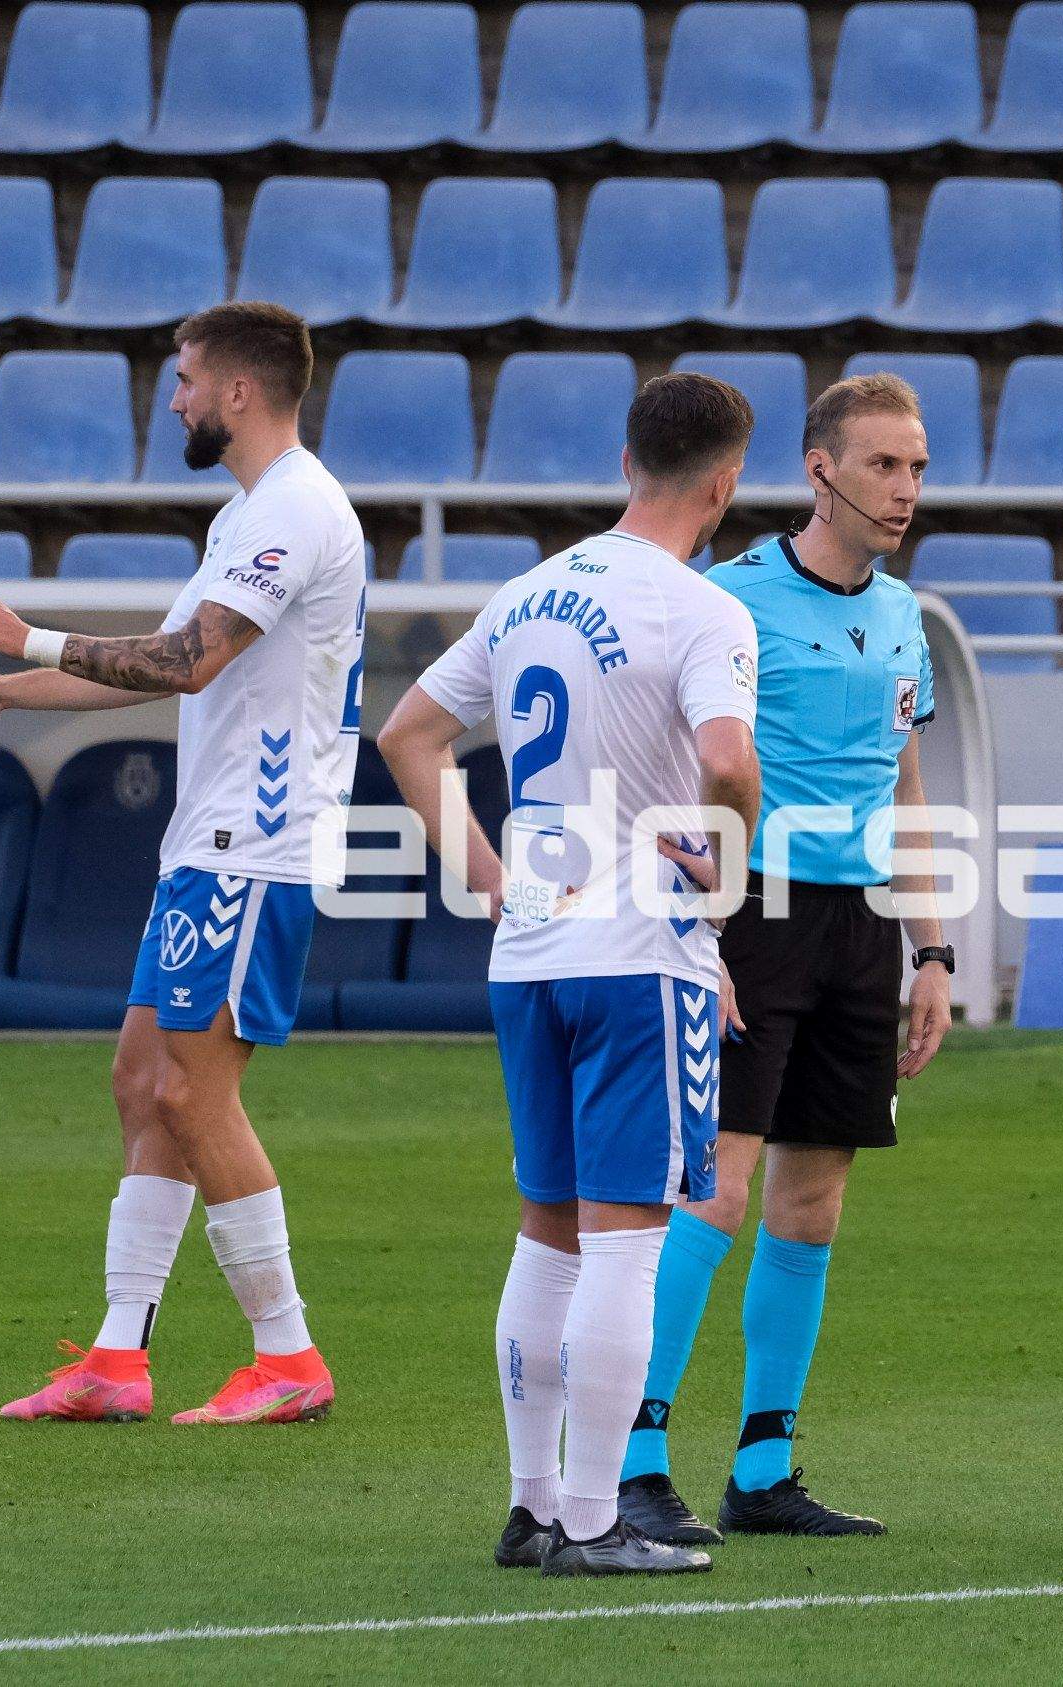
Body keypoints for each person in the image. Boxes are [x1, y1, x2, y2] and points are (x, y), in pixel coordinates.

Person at [0, 302, 367, 1427]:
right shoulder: (253, 512)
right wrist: (3, 694)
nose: (177, 397)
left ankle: (288, 1355)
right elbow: (155, 667)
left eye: (188, 377)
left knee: (189, 1091)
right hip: (206, 848)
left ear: (240, 391)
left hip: (256, 846)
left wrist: (28, 639)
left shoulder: (296, 506)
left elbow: (186, 663)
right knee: (140, 1083)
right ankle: (116, 1358)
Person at [376, 372, 764, 1577]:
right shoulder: (700, 610)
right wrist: (718, 877)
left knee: (548, 1233)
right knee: (628, 1240)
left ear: (627, 461)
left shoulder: (533, 590)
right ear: (725, 481)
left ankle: (532, 1500)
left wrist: (492, 875)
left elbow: (407, 736)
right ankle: (596, 1520)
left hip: (531, 951)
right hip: (639, 959)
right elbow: (731, 761)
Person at [618, 374, 952, 1546]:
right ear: (820, 470)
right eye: (883, 465)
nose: (906, 488)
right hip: (750, 913)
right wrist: (690, 929)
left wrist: (934, 948)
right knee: (716, 1185)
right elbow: (678, 770)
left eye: (916, 466)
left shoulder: (906, 613)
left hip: (859, 926)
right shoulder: (732, 601)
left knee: (812, 1204)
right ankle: (634, 1456)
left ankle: (763, 1469)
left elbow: (904, 786)